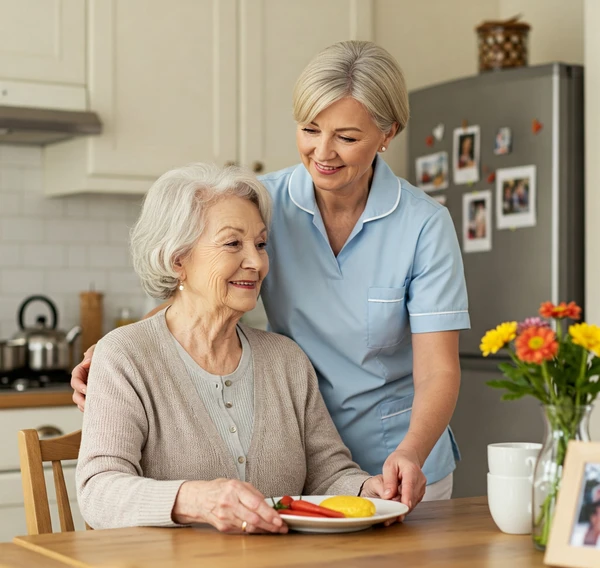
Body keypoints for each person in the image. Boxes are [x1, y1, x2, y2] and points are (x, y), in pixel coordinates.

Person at [72, 41, 470, 511]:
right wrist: (123, 350)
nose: (323, 152)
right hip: (299, 455)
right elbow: (200, 285)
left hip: (391, 461)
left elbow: (438, 369)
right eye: (309, 129)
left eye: (346, 137)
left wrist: (408, 452)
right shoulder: (263, 203)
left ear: (387, 133)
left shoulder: (423, 225)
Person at [76, 163, 390, 534]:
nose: (256, 262)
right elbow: (98, 492)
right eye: (232, 244)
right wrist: (194, 501)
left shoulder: (286, 359)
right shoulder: (126, 357)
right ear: (178, 259)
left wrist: (370, 491)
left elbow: (328, 474)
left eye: (260, 244)